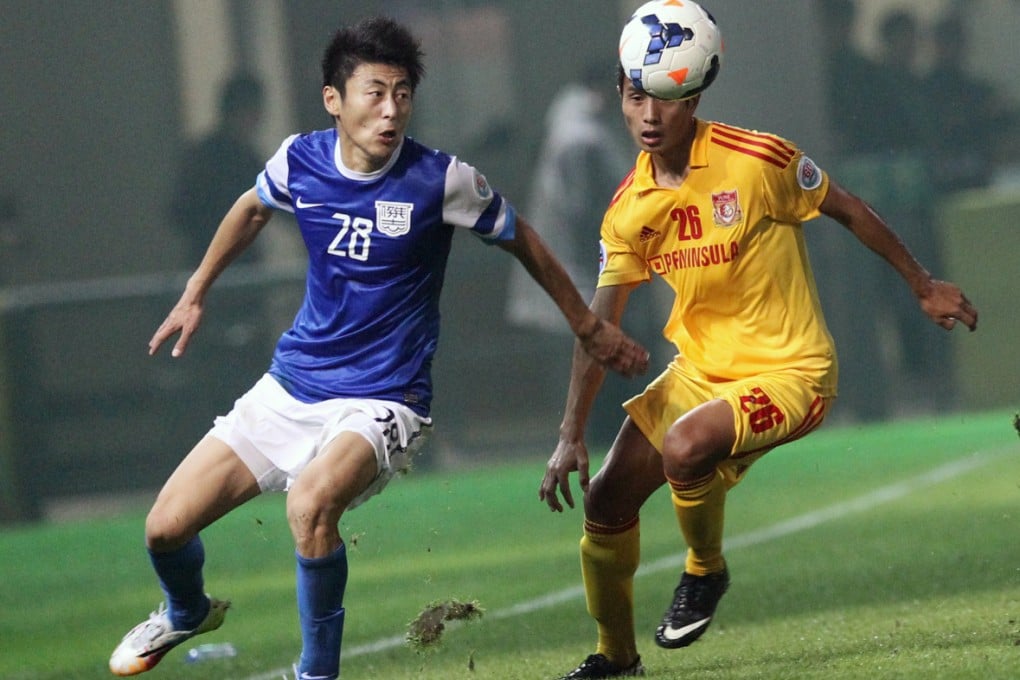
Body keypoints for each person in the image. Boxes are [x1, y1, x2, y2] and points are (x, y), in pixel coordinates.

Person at [108, 16, 649, 680]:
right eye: (375, 93)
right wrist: (196, 291)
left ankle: (317, 673)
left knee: (309, 505)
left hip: (384, 399)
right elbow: (251, 208)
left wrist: (585, 324)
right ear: (334, 99)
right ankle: (186, 610)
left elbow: (522, 239)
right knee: (163, 529)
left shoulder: (440, 179)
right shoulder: (299, 160)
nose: (391, 110)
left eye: (402, 94)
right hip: (292, 385)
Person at [538, 11, 978, 679]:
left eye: (666, 99)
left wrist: (921, 283)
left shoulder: (757, 160)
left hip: (792, 373)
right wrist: (570, 432)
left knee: (685, 446)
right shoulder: (628, 208)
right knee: (605, 501)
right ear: (620, 96)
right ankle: (615, 658)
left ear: (694, 100)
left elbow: (847, 207)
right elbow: (600, 325)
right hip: (700, 373)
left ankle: (704, 570)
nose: (649, 115)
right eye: (636, 96)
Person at [505, 63, 663, 449]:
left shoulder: (576, 128)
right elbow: (589, 212)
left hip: (585, 275)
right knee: (598, 384)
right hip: (583, 276)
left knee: (598, 380)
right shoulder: (581, 138)